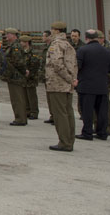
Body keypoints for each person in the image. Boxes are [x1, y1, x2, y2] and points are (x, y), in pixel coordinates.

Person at [75, 30, 110, 141]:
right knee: (102, 111)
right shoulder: (107, 51)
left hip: (87, 85)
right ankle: (102, 132)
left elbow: (78, 66)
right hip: (102, 85)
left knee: (87, 111)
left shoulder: (82, 50)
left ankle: (87, 132)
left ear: (86, 38)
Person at [45, 21, 77, 152]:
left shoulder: (56, 45)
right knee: (68, 112)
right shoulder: (68, 44)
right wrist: (72, 79)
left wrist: (69, 79)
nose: (51, 32)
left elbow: (57, 64)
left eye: (52, 29)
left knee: (60, 114)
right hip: (67, 84)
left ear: (57, 31)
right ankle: (69, 140)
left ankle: (64, 142)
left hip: (57, 84)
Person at [3, 28, 28, 126]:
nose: (6, 36)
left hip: (16, 76)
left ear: (13, 35)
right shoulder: (12, 45)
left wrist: (23, 72)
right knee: (16, 98)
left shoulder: (16, 46)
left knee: (18, 98)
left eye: (8, 34)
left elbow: (18, 62)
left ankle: (20, 119)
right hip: (12, 75)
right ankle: (20, 117)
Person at [19, 35, 42, 120]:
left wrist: (30, 74)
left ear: (26, 42)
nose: (20, 43)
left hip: (31, 77)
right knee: (25, 95)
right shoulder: (22, 52)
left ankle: (34, 112)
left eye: (22, 42)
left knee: (32, 96)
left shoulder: (32, 52)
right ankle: (27, 111)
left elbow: (35, 64)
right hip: (24, 77)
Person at [41, 30, 56, 125]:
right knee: (49, 98)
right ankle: (52, 115)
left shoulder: (53, 47)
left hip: (53, 76)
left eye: (44, 36)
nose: (43, 38)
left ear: (49, 37)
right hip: (47, 75)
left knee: (54, 98)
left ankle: (56, 117)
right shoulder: (46, 47)